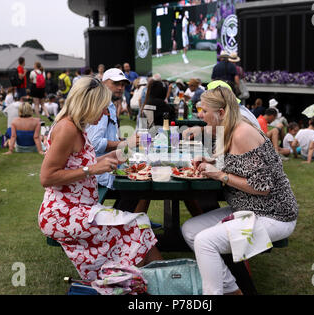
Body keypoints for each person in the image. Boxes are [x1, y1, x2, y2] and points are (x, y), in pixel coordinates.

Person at [38, 76, 162, 282]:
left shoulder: (77, 127)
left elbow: (79, 162)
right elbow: (47, 177)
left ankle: (140, 281)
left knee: (139, 225)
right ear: (90, 104)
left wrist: (113, 155)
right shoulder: (67, 129)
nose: (106, 113)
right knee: (136, 227)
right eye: (104, 108)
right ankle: (143, 282)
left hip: (79, 209)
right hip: (64, 213)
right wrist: (92, 169)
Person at [181, 86, 298, 295]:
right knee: (190, 230)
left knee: (205, 241)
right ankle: (234, 290)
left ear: (221, 112)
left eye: (204, 110)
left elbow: (263, 188)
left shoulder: (242, 132)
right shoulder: (228, 129)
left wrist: (219, 175)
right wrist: (210, 160)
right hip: (246, 208)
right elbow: (235, 162)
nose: (200, 114)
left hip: (274, 214)